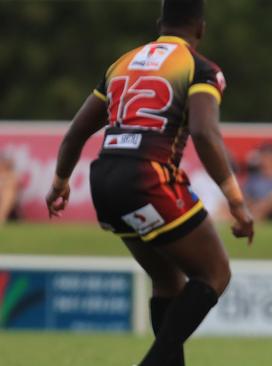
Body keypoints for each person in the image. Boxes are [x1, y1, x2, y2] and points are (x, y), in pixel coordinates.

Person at [45, 1, 254, 365]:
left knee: (168, 283)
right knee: (214, 273)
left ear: (161, 23)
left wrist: (60, 182)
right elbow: (205, 132)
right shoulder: (200, 68)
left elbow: (76, 132)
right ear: (200, 28)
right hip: (148, 178)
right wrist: (235, 200)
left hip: (105, 179)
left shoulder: (121, 63)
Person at [243, 143, 272, 220]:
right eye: (263, 156)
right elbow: (246, 198)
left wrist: (269, 201)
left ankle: (254, 218)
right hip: (257, 207)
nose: (265, 160)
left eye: (268, 157)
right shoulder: (254, 178)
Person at [0, 154, 19, 225]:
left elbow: (14, 186)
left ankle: (1, 219)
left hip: (6, 197)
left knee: (8, 194)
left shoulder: (11, 174)